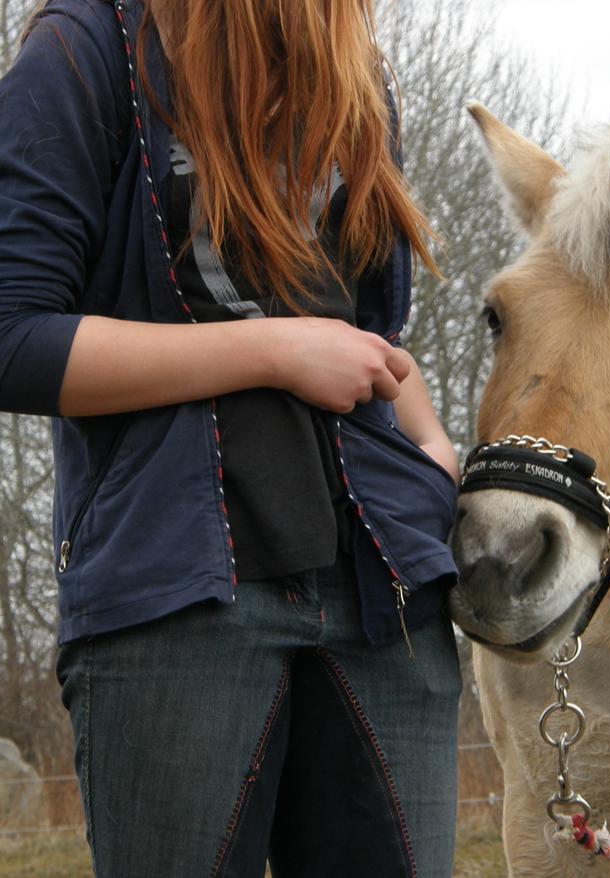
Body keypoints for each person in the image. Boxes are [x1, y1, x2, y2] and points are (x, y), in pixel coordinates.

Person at [0, 0, 463, 874]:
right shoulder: (85, 51)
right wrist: (270, 351)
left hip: (384, 598)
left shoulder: (354, 73)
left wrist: (433, 453)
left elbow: (364, 335)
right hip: (179, 597)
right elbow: (13, 335)